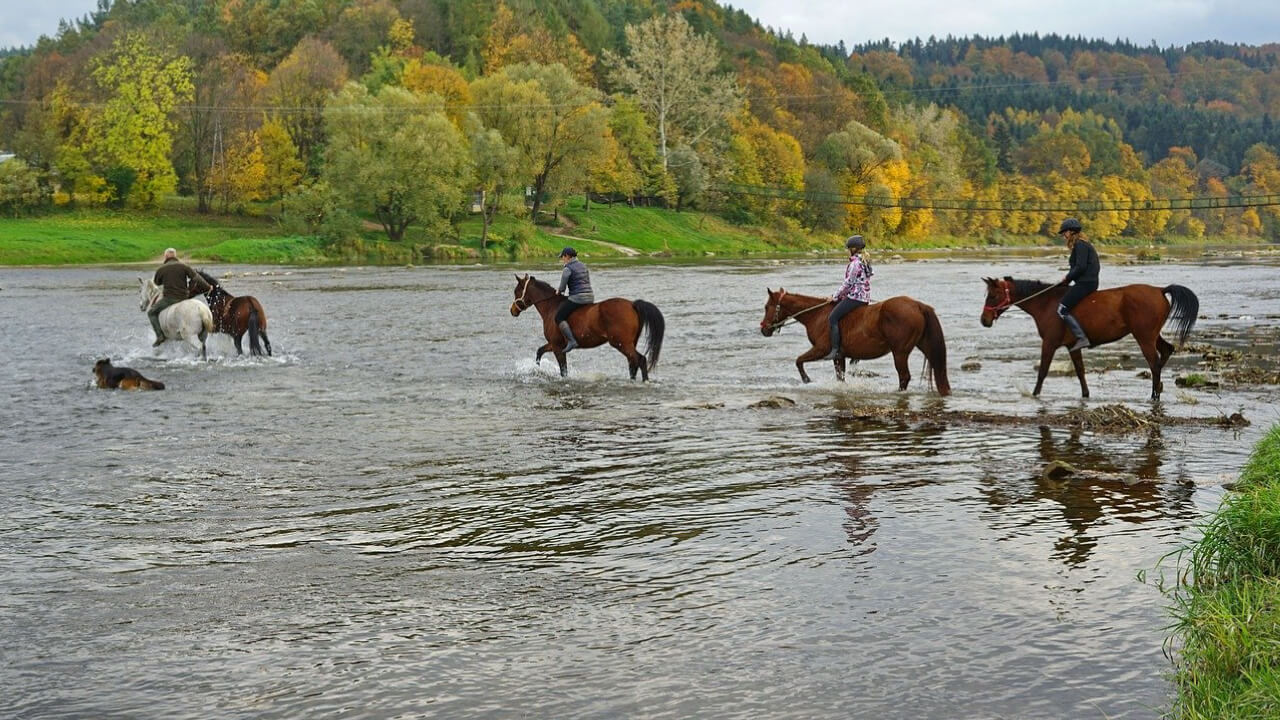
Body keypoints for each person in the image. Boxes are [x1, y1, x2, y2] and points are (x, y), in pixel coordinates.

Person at [822, 234, 873, 360]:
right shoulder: (865, 260)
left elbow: (848, 283)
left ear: (854, 249)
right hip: (865, 297)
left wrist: (834, 296)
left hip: (855, 298)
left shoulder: (855, 263)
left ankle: (835, 350)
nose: (847, 251)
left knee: (833, 318)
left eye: (848, 249)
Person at [148, 248, 210, 346]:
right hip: (184, 297)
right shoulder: (184, 266)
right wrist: (208, 287)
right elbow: (197, 278)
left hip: (169, 299)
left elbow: (157, 282)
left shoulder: (161, 269)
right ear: (175, 256)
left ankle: (160, 336)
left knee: (151, 312)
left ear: (165, 256)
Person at [1057, 217, 1098, 352]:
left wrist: (1067, 277)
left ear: (1072, 232)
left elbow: (1080, 267)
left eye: (1065, 232)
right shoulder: (1082, 244)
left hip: (1086, 283)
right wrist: (1068, 280)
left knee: (1062, 309)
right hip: (1086, 281)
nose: (1064, 235)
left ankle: (1081, 337)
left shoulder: (1080, 245)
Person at [555, 247, 594, 352]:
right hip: (590, 297)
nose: (562, 259)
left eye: (562, 257)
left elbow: (562, 288)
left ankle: (572, 341)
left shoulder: (567, 269)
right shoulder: (583, 265)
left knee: (559, 317)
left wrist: (558, 291)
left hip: (578, 298)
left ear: (567, 256)